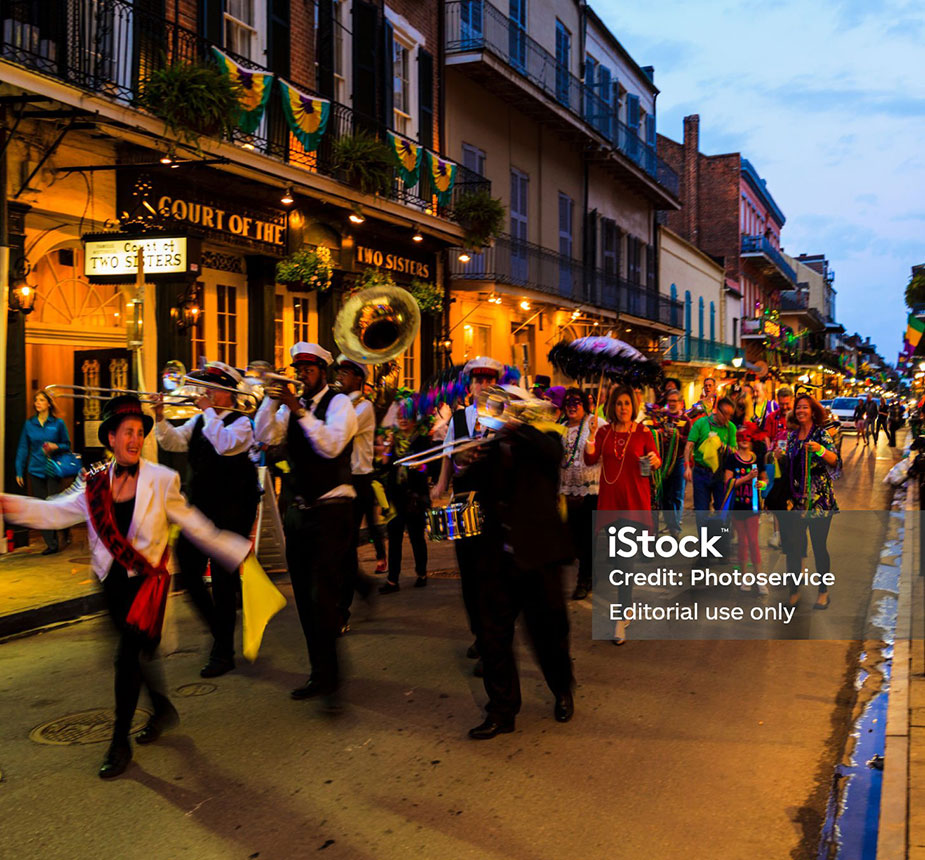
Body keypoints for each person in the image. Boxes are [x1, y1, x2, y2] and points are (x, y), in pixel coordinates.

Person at [1, 394, 252, 778]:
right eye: (127, 432)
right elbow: (53, 512)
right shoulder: (93, 483)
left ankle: (120, 741)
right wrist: (7, 503)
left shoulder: (162, 479)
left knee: (125, 659)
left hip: (147, 589)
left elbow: (194, 523)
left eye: (139, 432)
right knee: (134, 657)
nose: (135, 439)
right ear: (111, 439)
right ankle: (163, 708)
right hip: (111, 585)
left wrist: (234, 548)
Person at [462, 390, 575, 739]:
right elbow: (470, 487)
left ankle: (561, 690)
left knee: (549, 634)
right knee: (494, 635)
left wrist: (518, 428)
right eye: (497, 407)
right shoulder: (490, 446)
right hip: (497, 555)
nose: (498, 412)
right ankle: (502, 710)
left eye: (506, 406)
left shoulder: (545, 435)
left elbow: (553, 455)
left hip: (539, 554)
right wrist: (465, 462)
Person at [254, 342, 358, 702]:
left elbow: (330, 445)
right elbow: (265, 437)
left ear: (323, 372)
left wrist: (298, 410)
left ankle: (331, 678)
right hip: (299, 511)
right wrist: (271, 400)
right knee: (303, 598)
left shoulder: (340, 404)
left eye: (308, 370)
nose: (301, 375)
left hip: (332, 511)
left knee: (323, 596)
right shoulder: (293, 408)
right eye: (298, 369)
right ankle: (319, 672)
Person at [153, 362, 259, 678]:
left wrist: (208, 413)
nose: (205, 393)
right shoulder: (201, 420)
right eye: (206, 388)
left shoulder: (243, 424)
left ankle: (223, 652)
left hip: (231, 512)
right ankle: (219, 630)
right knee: (187, 571)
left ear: (228, 393)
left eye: (211, 388)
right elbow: (172, 442)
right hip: (199, 511)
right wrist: (159, 416)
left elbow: (224, 445)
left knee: (225, 584)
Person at [431, 356, 503, 674]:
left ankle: (492, 639)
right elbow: (448, 454)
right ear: (470, 385)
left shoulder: (504, 416)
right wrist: (440, 486)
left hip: (492, 501)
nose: (484, 385)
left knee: (490, 574)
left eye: (489, 380)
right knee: (468, 574)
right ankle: (479, 634)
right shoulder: (460, 418)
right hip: (462, 501)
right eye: (479, 380)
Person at [584, 384, 661, 643]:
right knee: (620, 560)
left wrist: (653, 459)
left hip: (634, 503)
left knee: (623, 559)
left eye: (627, 403)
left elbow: (655, 458)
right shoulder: (604, 432)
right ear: (612, 407)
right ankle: (626, 605)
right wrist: (592, 436)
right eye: (619, 404)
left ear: (633, 406)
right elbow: (589, 459)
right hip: (610, 502)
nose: (623, 408)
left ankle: (621, 616)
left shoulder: (642, 432)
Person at [334, 354, 382, 634]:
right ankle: (362, 586)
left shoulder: (363, 407)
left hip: (358, 480)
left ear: (359, 379)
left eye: (346, 373)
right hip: (341, 480)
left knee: (345, 547)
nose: (339, 377)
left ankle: (342, 611)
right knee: (339, 546)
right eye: (339, 372)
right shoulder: (340, 403)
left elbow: (340, 432)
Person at [782, 394, 839, 609]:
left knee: (819, 547)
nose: (800, 411)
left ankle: (823, 592)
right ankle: (794, 590)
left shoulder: (821, 435)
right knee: (793, 548)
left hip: (819, 501)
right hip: (796, 501)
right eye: (798, 408)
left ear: (813, 411)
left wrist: (821, 450)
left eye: (804, 407)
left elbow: (836, 461)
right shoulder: (792, 437)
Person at [378, 393, 431, 593]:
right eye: (399, 416)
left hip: (415, 496)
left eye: (406, 416)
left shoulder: (421, 440)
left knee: (417, 536)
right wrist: (387, 449)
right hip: (396, 496)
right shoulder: (393, 439)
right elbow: (384, 467)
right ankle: (393, 580)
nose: (402, 419)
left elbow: (430, 468)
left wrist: (421, 468)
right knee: (394, 537)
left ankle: (422, 572)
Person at [15, 390, 73, 554]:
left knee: (54, 505)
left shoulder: (58, 423)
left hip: (53, 469)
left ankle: (65, 528)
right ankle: (52, 544)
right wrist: (19, 470)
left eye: (41, 400)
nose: (37, 403)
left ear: (49, 403)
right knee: (41, 507)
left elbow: (67, 444)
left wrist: (57, 446)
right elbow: (23, 448)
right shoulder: (29, 424)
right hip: (35, 470)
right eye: (36, 400)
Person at [560, 388, 604, 600]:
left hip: (591, 491)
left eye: (577, 401)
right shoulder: (560, 429)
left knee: (588, 539)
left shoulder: (596, 423)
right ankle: (590, 573)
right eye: (568, 401)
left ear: (585, 405)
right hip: (567, 492)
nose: (572, 405)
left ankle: (584, 579)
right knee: (575, 539)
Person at [684, 396, 738, 530]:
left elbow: (734, 450)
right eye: (724, 413)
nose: (727, 418)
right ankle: (704, 542)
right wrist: (687, 467)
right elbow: (689, 445)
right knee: (701, 511)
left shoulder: (731, 428)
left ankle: (721, 540)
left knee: (722, 508)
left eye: (730, 415)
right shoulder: (701, 423)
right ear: (716, 410)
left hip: (721, 474)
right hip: (701, 472)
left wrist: (722, 446)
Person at [723, 423, 765, 593]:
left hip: (753, 506)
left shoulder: (757, 459)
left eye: (747, 437)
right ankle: (744, 577)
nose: (744, 441)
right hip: (737, 506)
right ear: (737, 440)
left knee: (754, 542)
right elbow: (728, 482)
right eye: (741, 438)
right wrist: (747, 477)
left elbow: (765, 480)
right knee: (743, 542)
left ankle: (760, 578)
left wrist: (761, 484)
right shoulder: (732, 459)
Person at [659, 389, 691, 538]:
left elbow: (690, 443)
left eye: (674, 401)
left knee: (677, 495)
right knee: (664, 496)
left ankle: (676, 527)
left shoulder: (686, 420)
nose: (671, 404)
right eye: (669, 401)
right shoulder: (662, 418)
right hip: (663, 462)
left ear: (680, 403)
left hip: (678, 461)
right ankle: (670, 524)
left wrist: (678, 436)